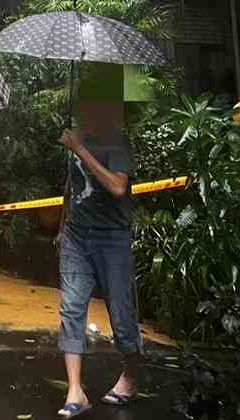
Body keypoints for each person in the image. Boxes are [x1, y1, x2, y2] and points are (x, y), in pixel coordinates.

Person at [56, 97, 141, 417]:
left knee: (121, 315)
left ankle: (131, 373)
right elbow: (71, 186)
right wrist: (63, 226)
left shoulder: (117, 142)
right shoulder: (77, 136)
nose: (82, 110)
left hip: (112, 240)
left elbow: (118, 187)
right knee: (72, 308)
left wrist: (80, 150)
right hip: (77, 237)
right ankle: (75, 391)